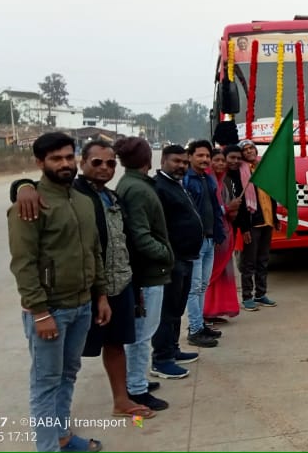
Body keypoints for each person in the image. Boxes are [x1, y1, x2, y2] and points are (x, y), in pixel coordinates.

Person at [11, 140, 157, 421]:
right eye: (97, 162)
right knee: (58, 370)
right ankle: (55, 433)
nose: (105, 168)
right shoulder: (72, 192)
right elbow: (37, 190)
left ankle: (121, 400)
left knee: (115, 344)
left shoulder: (113, 197)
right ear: (83, 164)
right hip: (80, 293)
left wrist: (131, 285)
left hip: (117, 285)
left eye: (111, 163)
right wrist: (22, 187)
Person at [8, 132, 110, 452]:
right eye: (55, 158)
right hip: (50, 311)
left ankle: (63, 437)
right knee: (45, 384)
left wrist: (101, 295)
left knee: (68, 374)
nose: (64, 164)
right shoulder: (30, 204)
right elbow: (23, 264)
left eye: (68, 156)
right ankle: (48, 447)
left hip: (81, 306)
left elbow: (93, 251)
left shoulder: (81, 200)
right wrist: (40, 312)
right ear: (40, 163)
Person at [114, 136, 174, 411]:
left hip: (147, 271)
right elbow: (140, 236)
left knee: (141, 333)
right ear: (148, 158)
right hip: (146, 274)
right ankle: (136, 388)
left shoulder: (135, 184)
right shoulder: (137, 189)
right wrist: (165, 253)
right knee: (141, 334)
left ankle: (136, 379)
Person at [151, 145, 209, 380]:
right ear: (164, 160)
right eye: (177, 161)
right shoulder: (159, 187)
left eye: (184, 162)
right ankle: (162, 359)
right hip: (172, 259)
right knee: (167, 311)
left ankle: (173, 349)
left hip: (187, 257)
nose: (182, 166)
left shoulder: (176, 184)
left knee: (177, 309)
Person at [182, 140, 226, 342]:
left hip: (209, 240)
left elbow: (215, 209)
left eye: (207, 156)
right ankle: (195, 329)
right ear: (189, 157)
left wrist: (218, 234)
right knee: (194, 287)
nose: (204, 159)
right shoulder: (186, 181)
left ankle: (200, 324)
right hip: (195, 243)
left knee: (203, 285)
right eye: (200, 155)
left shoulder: (207, 180)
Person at [237, 140, 279, 311]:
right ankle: (247, 297)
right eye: (245, 150)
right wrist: (245, 228)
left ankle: (261, 294)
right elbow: (240, 204)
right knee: (249, 262)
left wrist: (275, 218)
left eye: (250, 148)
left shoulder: (263, 168)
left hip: (267, 220)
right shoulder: (240, 172)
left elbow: (272, 194)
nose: (249, 152)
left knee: (263, 260)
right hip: (252, 224)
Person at [203, 148, 242, 322]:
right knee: (209, 276)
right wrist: (228, 208)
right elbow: (207, 211)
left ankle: (217, 310)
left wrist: (232, 211)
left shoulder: (222, 184)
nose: (220, 163)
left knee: (223, 276)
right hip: (213, 238)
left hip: (225, 235)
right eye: (216, 160)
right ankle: (203, 313)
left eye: (222, 161)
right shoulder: (207, 183)